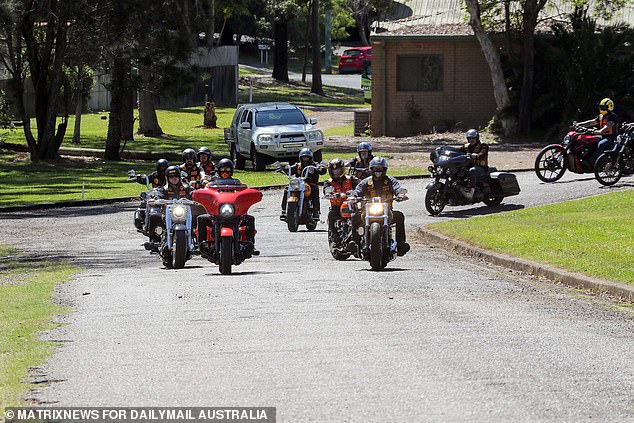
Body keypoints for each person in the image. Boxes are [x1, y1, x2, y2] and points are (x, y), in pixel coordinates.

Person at [197, 159, 257, 255]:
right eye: (222, 170)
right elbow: (205, 191)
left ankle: (250, 245)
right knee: (201, 219)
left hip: (234, 211)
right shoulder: (211, 184)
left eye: (227, 170)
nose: (225, 172)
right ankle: (201, 244)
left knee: (249, 219)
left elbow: (245, 191)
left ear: (231, 171)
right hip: (217, 212)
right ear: (218, 171)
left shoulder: (238, 183)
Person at [351, 156, 410, 256]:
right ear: (371, 169)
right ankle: (354, 244)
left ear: (385, 169)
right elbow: (357, 191)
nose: (378, 171)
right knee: (355, 217)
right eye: (375, 168)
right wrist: (354, 197)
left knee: (399, 216)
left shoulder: (390, 181)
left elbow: (398, 188)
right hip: (367, 212)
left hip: (387, 212)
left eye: (380, 169)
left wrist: (401, 195)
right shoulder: (366, 182)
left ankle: (400, 245)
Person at [145, 165, 195, 251]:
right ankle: (154, 240)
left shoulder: (186, 188)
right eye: (171, 177)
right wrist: (155, 198)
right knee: (154, 216)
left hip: (185, 214)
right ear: (167, 178)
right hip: (167, 214)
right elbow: (157, 194)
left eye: (176, 176)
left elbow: (194, 193)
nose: (174, 178)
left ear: (179, 177)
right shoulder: (164, 189)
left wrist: (198, 197)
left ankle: (198, 240)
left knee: (198, 218)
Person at [280, 148, 326, 219]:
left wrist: (320, 168)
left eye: (307, 157)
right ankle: (284, 210)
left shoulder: (314, 165)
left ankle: (316, 211)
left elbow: (322, 170)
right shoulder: (297, 166)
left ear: (310, 158)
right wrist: (283, 168)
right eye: (303, 157)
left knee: (314, 190)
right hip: (298, 184)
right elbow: (290, 169)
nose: (305, 159)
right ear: (300, 158)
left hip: (310, 184)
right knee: (287, 190)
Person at [323, 158, 359, 244]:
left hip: (352, 206)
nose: (336, 172)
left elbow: (360, 186)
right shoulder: (328, 182)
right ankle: (335, 236)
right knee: (331, 216)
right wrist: (330, 193)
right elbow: (325, 191)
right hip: (337, 207)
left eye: (338, 169)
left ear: (342, 169)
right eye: (334, 170)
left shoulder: (351, 179)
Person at [575, 98, 619, 165]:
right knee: (589, 140)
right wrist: (579, 124)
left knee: (601, 144)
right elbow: (591, 122)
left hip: (612, 137)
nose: (602, 109)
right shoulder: (601, 116)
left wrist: (600, 131)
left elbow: (608, 126)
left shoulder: (613, 116)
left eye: (604, 107)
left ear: (609, 107)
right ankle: (585, 157)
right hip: (602, 135)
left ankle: (593, 163)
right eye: (601, 107)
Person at [460, 129, 489, 200]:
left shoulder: (483, 145)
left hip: (481, 168)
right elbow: (457, 152)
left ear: (477, 138)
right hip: (468, 166)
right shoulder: (465, 146)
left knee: (472, 170)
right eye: (469, 138)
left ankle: (471, 192)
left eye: (473, 138)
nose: (471, 140)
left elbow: (483, 152)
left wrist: (477, 155)